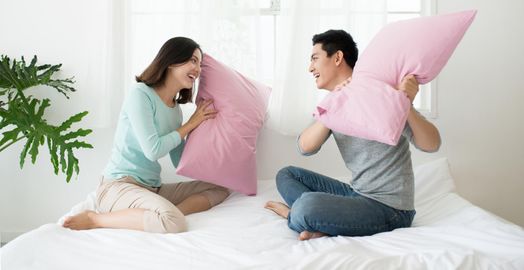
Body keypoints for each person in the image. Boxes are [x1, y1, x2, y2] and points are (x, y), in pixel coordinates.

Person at [265, 29, 441, 241]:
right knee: (287, 174)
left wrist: (406, 104)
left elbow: (432, 144)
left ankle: (296, 216)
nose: (310, 67)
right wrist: (335, 104)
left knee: (306, 205)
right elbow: (304, 147)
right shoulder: (334, 103)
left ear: (337, 57)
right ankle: (322, 220)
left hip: (390, 209)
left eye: (315, 58)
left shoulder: (378, 93)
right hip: (357, 194)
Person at [63, 37, 230, 233]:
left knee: (220, 188)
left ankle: (163, 212)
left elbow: (179, 162)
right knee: (174, 223)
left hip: (152, 189)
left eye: (200, 64)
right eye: (193, 60)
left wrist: (212, 148)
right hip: (118, 186)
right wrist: (191, 124)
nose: (198, 69)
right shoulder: (141, 94)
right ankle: (95, 219)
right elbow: (153, 150)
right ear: (172, 60)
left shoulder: (175, 111)